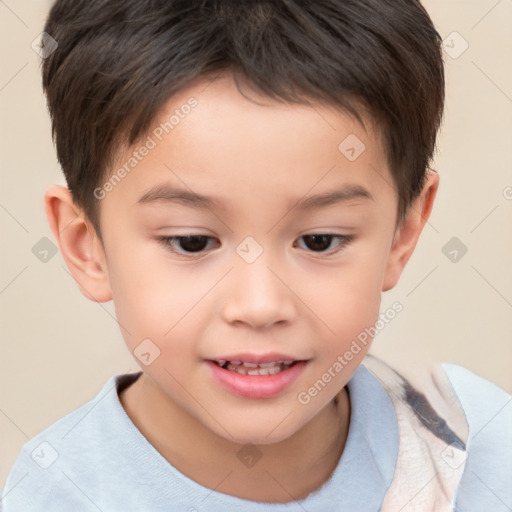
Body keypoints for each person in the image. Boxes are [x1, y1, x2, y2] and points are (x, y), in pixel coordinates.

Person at [1, 0, 510, 510]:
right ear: (86, 246)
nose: (260, 305)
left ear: (403, 233)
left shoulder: (474, 445)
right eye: (192, 242)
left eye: (319, 240)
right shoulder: (58, 495)